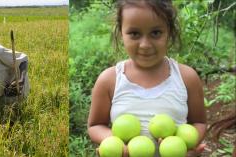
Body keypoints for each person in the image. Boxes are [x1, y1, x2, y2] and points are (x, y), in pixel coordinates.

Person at [87, 0, 206, 156]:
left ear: (169, 32)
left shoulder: (187, 77)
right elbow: (95, 125)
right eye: (134, 34)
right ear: (121, 33)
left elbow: (199, 122)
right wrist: (114, 143)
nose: (145, 44)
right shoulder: (109, 80)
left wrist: (186, 147)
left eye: (156, 33)